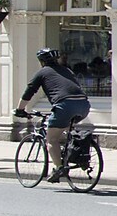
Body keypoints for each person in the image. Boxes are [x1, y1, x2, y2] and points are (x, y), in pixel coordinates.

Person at [14, 48, 91, 176]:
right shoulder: (67, 70)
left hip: (64, 105)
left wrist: (19, 110)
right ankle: (75, 152)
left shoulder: (42, 73)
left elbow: (29, 92)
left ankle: (59, 168)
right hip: (84, 105)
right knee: (65, 128)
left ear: (41, 61)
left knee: (51, 139)